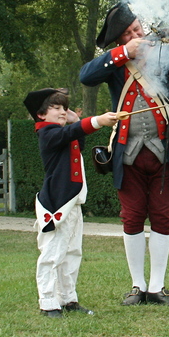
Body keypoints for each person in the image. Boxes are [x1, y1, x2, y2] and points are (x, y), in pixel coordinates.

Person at [79, 2, 169, 307]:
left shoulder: (165, 50)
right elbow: (86, 76)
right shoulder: (118, 61)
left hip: (164, 154)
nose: (137, 33)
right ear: (121, 39)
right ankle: (137, 285)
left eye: (137, 28)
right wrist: (124, 53)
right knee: (131, 218)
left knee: (163, 217)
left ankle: (157, 286)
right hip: (127, 154)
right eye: (129, 33)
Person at [23, 88, 118, 318]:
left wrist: (75, 120)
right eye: (55, 108)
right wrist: (95, 121)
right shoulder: (46, 133)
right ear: (41, 115)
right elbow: (71, 133)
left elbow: (76, 138)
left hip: (72, 202)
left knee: (72, 252)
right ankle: (48, 301)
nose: (61, 112)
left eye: (63, 108)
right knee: (52, 254)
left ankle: (67, 298)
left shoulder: (60, 132)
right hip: (57, 204)